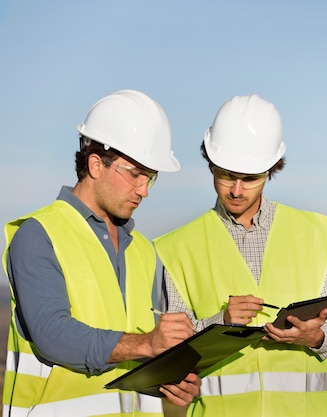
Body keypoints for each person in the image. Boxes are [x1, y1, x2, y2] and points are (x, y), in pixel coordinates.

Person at [3, 89, 201, 417]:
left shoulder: (144, 251)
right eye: (135, 173)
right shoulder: (39, 234)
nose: (145, 190)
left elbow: (153, 348)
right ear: (96, 164)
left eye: (150, 176)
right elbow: (52, 333)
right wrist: (145, 344)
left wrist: (174, 379)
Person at [153, 94, 327, 417]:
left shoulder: (313, 234)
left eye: (249, 179)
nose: (235, 189)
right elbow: (173, 349)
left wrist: (316, 336)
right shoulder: (180, 248)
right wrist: (221, 322)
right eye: (225, 175)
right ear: (210, 164)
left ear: (272, 169)